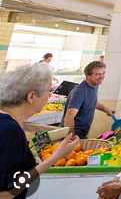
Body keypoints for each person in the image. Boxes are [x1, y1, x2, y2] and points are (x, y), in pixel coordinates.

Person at [0, 63, 80, 199]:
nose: (49, 95)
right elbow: (6, 193)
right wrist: (54, 158)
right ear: (31, 96)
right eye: (48, 91)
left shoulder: (6, 121)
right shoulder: (10, 132)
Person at [60, 60, 114, 138]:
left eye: (103, 73)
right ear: (88, 75)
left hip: (83, 132)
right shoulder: (79, 92)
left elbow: (92, 101)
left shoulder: (94, 86)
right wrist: (72, 136)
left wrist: (106, 109)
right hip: (74, 133)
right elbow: (69, 117)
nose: (102, 77)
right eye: (98, 74)